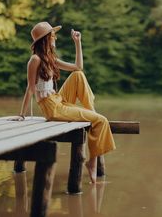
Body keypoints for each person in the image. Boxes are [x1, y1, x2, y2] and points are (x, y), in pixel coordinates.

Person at [9, 22, 116, 183]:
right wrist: (22, 115)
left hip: (58, 99)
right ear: (45, 39)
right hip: (52, 108)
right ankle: (92, 162)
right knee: (101, 120)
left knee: (78, 75)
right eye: (52, 35)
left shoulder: (50, 58)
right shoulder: (35, 60)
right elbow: (30, 89)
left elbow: (78, 67)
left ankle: (91, 113)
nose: (55, 37)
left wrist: (77, 43)